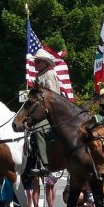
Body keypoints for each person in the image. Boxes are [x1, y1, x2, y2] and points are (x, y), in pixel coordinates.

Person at [29, 48, 61, 177]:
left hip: (51, 112)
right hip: (42, 111)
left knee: (38, 129)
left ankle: (45, 164)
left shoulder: (49, 74)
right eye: (35, 61)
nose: (34, 64)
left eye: (37, 62)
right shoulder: (40, 75)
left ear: (44, 63)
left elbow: (51, 96)